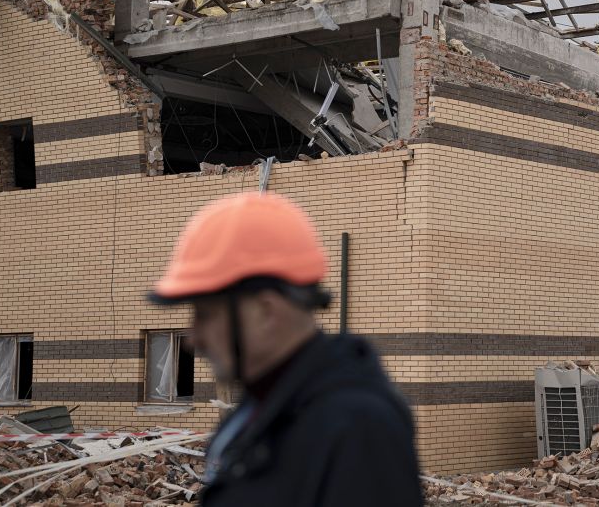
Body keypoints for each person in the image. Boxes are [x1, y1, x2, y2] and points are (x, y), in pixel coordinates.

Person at [149, 191, 423, 506]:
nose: (193, 339)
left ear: (266, 311)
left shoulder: (357, 427)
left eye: (206, 314)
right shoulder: (261, 408)